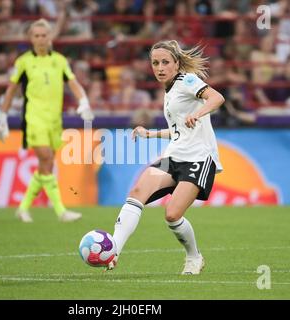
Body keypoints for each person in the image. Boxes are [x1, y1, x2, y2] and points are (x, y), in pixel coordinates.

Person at [106, 40, 225, 275]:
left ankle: (194, 257)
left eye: (165, 62)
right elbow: (179, 129)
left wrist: (198, 113)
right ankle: (113, 250)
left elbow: (217, 98)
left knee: (172, 214)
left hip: (198, 158)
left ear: (177, 64)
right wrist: (150, 134)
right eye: (155, 63)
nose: (160, 67)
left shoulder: (187, 81)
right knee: (138, 192)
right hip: (175, 154)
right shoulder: (169, 90)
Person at [0, 18, 94, 223]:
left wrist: (83, 101)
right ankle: (60, 211)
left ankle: (23, 208)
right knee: (46, 157)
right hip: (34, 118)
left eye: (44, 35)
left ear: (50, 37)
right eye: (36, 35)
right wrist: (2, 116)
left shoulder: (59, 60)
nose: (40, 39)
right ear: (31, 38)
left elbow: (73, 83)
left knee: (45, 165)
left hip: (54, 120)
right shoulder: (23, 62)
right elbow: (11, 89)